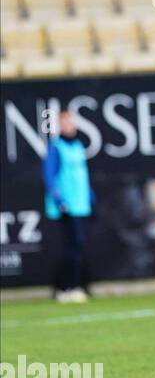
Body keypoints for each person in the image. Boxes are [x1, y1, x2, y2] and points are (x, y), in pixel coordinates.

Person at [43, 110, 95, 303]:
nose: (70, 126)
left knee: (79, 246)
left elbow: (82, 176)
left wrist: (90, 196)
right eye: (66, 123)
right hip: (67, 206)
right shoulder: (56, 147)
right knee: (70, 248)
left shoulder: (78, 146)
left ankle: (77, 285)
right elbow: (49, 176)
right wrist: (60, 201)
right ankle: (66, 287)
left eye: (72, 123)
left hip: (81, 205)